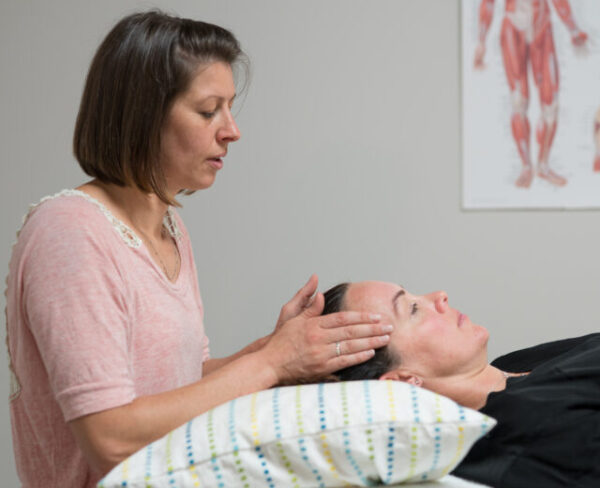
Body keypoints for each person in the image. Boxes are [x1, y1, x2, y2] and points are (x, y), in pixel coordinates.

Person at [4, 11, 393, 488]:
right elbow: (109, 438)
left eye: (229, 109)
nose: (231, 130)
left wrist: (277, 351)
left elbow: (182, 382)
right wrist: (271, 362)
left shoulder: (170, 229)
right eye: (209, 110)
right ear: (144, 114)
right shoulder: (70, 230)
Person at [321, 281, 600, 488]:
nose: (440, 296)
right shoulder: (523, 426)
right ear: (403, 380)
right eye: (413, 309)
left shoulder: (514, 364)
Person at [474, 0, 588, 188]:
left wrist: (574, 30)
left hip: (541, 28)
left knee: (550, 105)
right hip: (513, 28)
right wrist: (481, 41)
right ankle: (526, 167)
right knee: (519, 101)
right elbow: (488, 3)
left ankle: (543, 165)